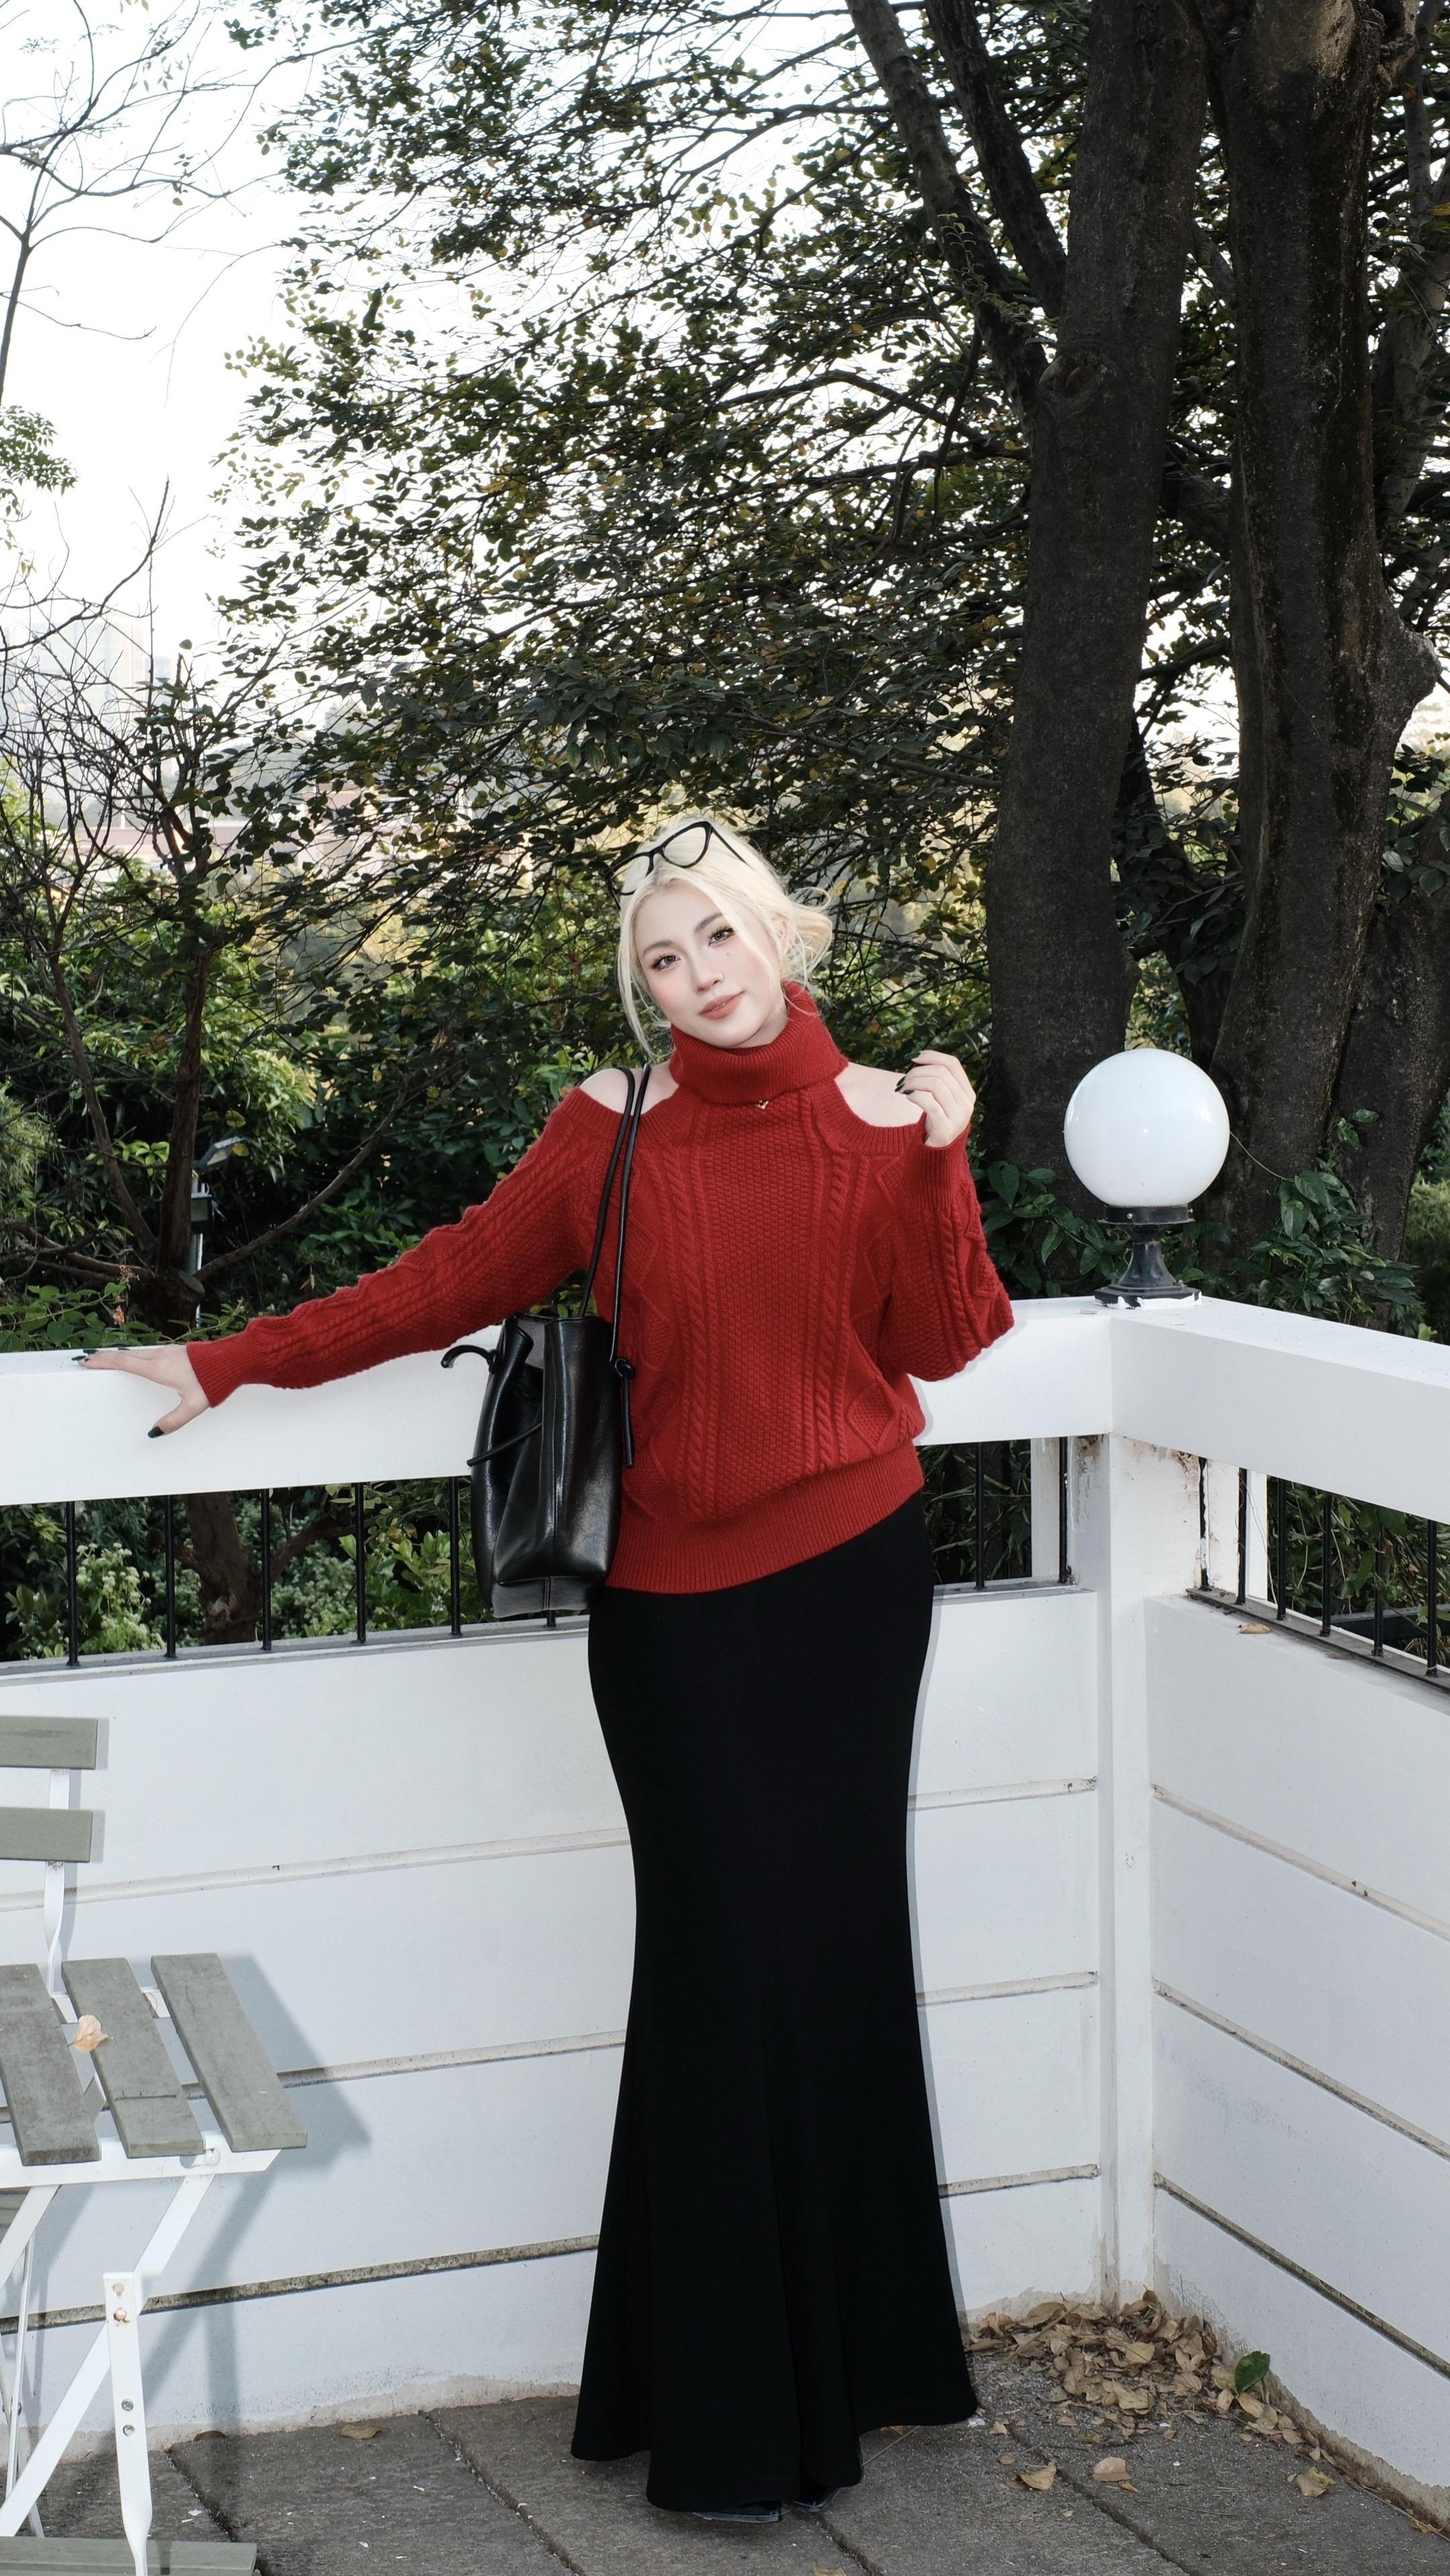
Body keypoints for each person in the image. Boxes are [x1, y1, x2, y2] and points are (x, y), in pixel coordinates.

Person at [85, 812, 1015, 2522]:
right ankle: (723, 2415)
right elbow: (445, 1277)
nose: (696, 975)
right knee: (720, 1967)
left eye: (717, 936)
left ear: (780, 935)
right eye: (662, 957)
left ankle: (873, 2365)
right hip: (670, 1608)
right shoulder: (610, 1125)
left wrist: (942, 1153)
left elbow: (947, 1338)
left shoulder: (893, 1112)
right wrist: (236, 1357)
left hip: (853, 1583)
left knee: (835, 1951)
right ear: (641, 985)